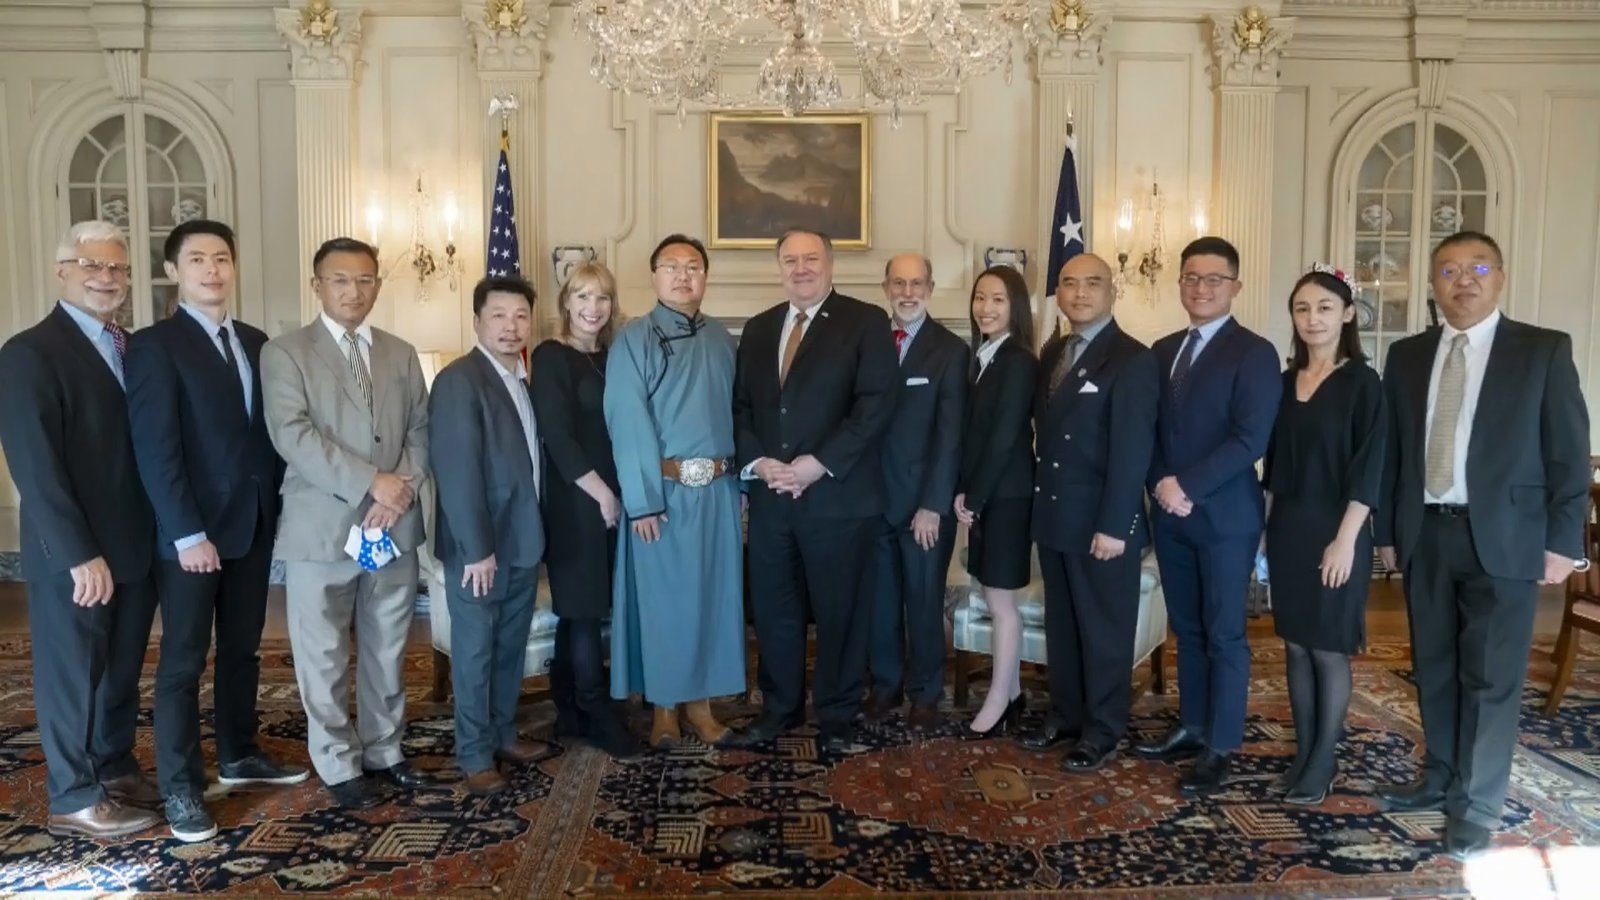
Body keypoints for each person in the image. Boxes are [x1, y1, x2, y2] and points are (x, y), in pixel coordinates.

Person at [1374, 231, 1589, 859]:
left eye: (1477, 268)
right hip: (1426, 532)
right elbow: (1393, 451)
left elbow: (1568, 452)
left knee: (1492, 678)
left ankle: (1476, 805)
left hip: (1508, 537)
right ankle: (1440, 776)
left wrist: (1563, 541)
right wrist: (1387, 532)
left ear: (1500, 277)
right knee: (1435, 665)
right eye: (1448, 270)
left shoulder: (1542, 350)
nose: (1462, 280)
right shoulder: (1407, 356)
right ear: (1432, 283)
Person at [124, 219, 307, 842]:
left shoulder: (257, 342)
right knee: (182, 661)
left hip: (252, 524)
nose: (212, 269)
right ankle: (181, 787)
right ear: (173, 271)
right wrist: (184, 533)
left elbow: (268, 437)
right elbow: (156, 448)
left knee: (242, 649)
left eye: (222, 258)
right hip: (190, 537)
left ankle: (240, 752)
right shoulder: (154, 346)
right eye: (197, 259)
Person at [0, 221, 160, 838]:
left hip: (136, 544)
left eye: (118, 267)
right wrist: (77, 553)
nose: (107, 277)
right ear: (62, 271)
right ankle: (72, 795)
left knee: (120, 671)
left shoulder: (133, 347)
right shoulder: (29, 352)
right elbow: (34, 465)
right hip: (76, 553)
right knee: (73, 675)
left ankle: (113, 767)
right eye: (91, 265)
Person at [261, 237, 433, 810]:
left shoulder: (400, 352)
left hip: (393, 526)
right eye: (340, 280)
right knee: (324, 652)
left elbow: (420, 430)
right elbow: (293, 435)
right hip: (322, 528)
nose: (353, 291)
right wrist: (370, 483)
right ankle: (337, 761)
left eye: (364, 280)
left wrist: (398, 491)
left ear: (377, 286)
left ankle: (385, 748)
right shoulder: (285, 353)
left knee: (388, 647)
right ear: (317, 286)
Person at [732, 228, 898, 751]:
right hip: (772, 499)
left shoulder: (865, 321)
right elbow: (741, 408)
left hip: (839, 500)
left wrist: (818, 465)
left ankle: (837, 717)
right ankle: (779, 709)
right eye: (790, 260)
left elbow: (876, 405)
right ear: (779, 267)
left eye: (811, 258)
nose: (800, 268)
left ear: (830, 264)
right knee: (774, 611)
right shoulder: (758, 329)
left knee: (840, 614)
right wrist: (760, 464)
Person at [1134, 236, 1282, 797]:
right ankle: (1193, 725)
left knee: (1224, 633)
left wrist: (1186, 485)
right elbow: (1147, 429)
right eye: (1191, 277)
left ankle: (1221, 746)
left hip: (1225, 518)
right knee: (1188, 628)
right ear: (1180, 283)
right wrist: (1159, 484)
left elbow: (1251, 439)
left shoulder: (1255, 352)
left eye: (1213, 279)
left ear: (1234, 286)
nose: (1201, 287)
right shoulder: (1161, 349)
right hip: (1170, 515)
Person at [606, 234, 745, 748]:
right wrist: (643, 501)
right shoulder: (634, 339)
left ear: (705, 276)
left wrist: (742, 484)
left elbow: (739, 414)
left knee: (713, 599)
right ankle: (664, 708)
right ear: (655, 277)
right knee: (665, 605)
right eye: (672, 266)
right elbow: (627, 421)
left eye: (693, 267)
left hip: (719, 492)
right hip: (662, 496)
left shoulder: (723, 339)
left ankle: (701, 707)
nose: (683, 275)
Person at [1023, 252, 1159, 771]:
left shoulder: (1132, 358)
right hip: (1057, 515)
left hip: (1103, 523)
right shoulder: (1054, 351)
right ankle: (1066, 715)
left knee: (1104, 632)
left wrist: (1116, 524)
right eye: (1069, 283)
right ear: (1057, 292)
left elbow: (1132, 451)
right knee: (1064, 626)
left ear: (1112, 291)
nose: (1080, 293)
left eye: (1092, 283)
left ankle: (1103, 730)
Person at [1261, 264, 1386, 805]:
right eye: (1303, 309)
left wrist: (1345, 540)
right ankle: (1304, 753)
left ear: (1348, 314)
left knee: (1329, 647)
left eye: (1325, 308)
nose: (1313, 318)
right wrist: (1263, 531)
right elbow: (1274, 465)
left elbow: (1370, 467)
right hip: (1287, 526)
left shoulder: (1363, 383)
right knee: (1295, 644)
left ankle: (1324, 761)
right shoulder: (1283, 382)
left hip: (1338, 528)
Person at [431, 276, 559, 794]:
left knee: (509, 647)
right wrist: (476, 549)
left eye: (521, 316)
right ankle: (474, 754)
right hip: (480, 550)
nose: (511, 326)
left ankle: (504, 734)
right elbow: (457, 471)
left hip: (523, 540)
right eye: (499, 316)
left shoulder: (521, 381)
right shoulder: (459, 380)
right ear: (477, 322)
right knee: (476, 653)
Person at [529, 264, 641, 759]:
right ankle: (595, 713)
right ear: (566, 303)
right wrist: (602, 495)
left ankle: (570, 709)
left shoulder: (616, 356)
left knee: (585, 610)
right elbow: (557, 437)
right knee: (584, 608)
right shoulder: (552, 356)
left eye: (602, 298)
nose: (592, 308)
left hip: (615, 496)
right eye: (582, 296)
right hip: (578, 500)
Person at [867, 253, 968, 731]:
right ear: (886, 288)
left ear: (930, 288)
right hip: (873, 502)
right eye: (899, 284)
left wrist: (933, 505)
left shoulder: (950, 350)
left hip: (923, 507)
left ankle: (926, 693)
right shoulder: (868, 342)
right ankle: (884, 687)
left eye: (916, 284)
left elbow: (951, 436)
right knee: (880, 603)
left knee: (924, 603)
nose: (907, 293)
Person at [953, 265, 1037, 738]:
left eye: (998, 300)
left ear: (1015, 307)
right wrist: (964, 491)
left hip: (1007, 497)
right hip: (987, 495)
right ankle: (1014, 691)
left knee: (1002, 602)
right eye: (980, 298)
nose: (985, 308)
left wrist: (976, 498)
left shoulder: (1019, 361)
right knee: (992, 593)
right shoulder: (984, 356)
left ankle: (998, 700)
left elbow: (1005, 438)